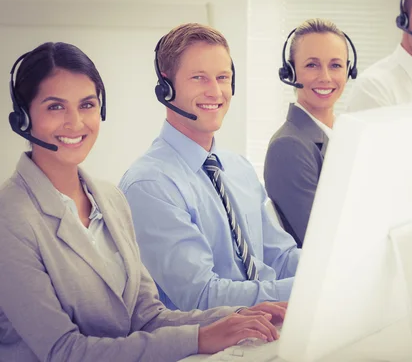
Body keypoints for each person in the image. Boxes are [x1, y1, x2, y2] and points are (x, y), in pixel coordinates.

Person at [0, 42, 286, 362]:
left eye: (87, 105)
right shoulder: (10, 218)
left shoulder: (110, 200)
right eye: (55, 107)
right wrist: (199, 338)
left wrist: (240, 315)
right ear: (23, 118)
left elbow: (148, 317)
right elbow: (64, 351)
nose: (76, 122)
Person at [119, 23, 301, 312]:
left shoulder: (238, 167)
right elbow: (202, 297)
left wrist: (333, 269)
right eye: (198, 78)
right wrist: (306, 290)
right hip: (207, 350)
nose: (215, 91)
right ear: (166, 87)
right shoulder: (150, 185)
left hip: (268, 331)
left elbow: (280, 257)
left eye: (222, 77)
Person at [263, 18, 357, 247]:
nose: (325, 77)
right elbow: (322, 242)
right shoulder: (289, 146)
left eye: (335, 65)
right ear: (291, 72)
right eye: (312, 65)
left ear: (349, 71)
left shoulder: (346, 135)